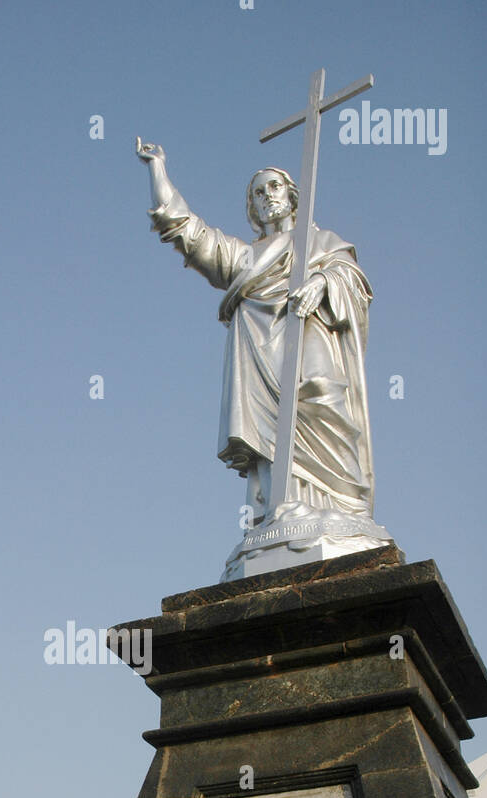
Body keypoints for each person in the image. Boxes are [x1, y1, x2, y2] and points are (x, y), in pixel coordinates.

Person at [136, 143, 375, 527]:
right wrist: (157, 169)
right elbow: (187, 232)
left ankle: (338, 509)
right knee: (270, 435)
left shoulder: (321, 242)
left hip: (309, 336)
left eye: (274, 187)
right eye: (258, 193)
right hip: (260, 357)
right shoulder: (247, 258)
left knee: (321, 396)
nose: (266, 197)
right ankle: (279, 510)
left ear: (293, 196)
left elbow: (354, 281)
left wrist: (322, 282)